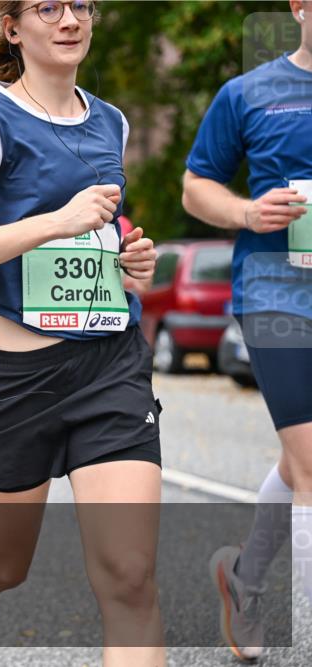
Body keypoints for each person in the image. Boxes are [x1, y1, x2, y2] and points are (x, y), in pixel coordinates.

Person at [0, 2, 161, 666]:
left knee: (131, 575)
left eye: (80, 4)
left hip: (109, 367)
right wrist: (53, 223)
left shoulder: (112, 120)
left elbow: (99, 228)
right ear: (13, 26)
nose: (70, 19)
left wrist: (129, 257)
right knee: (2, 563)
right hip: (13, 379)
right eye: (48, 7)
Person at [181, 1, 312, 660]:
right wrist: (245, 210)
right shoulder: (249, 92)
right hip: (276, 293)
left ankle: (244, 579)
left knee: (299, 461)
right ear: (299, 7)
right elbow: (195, 186)